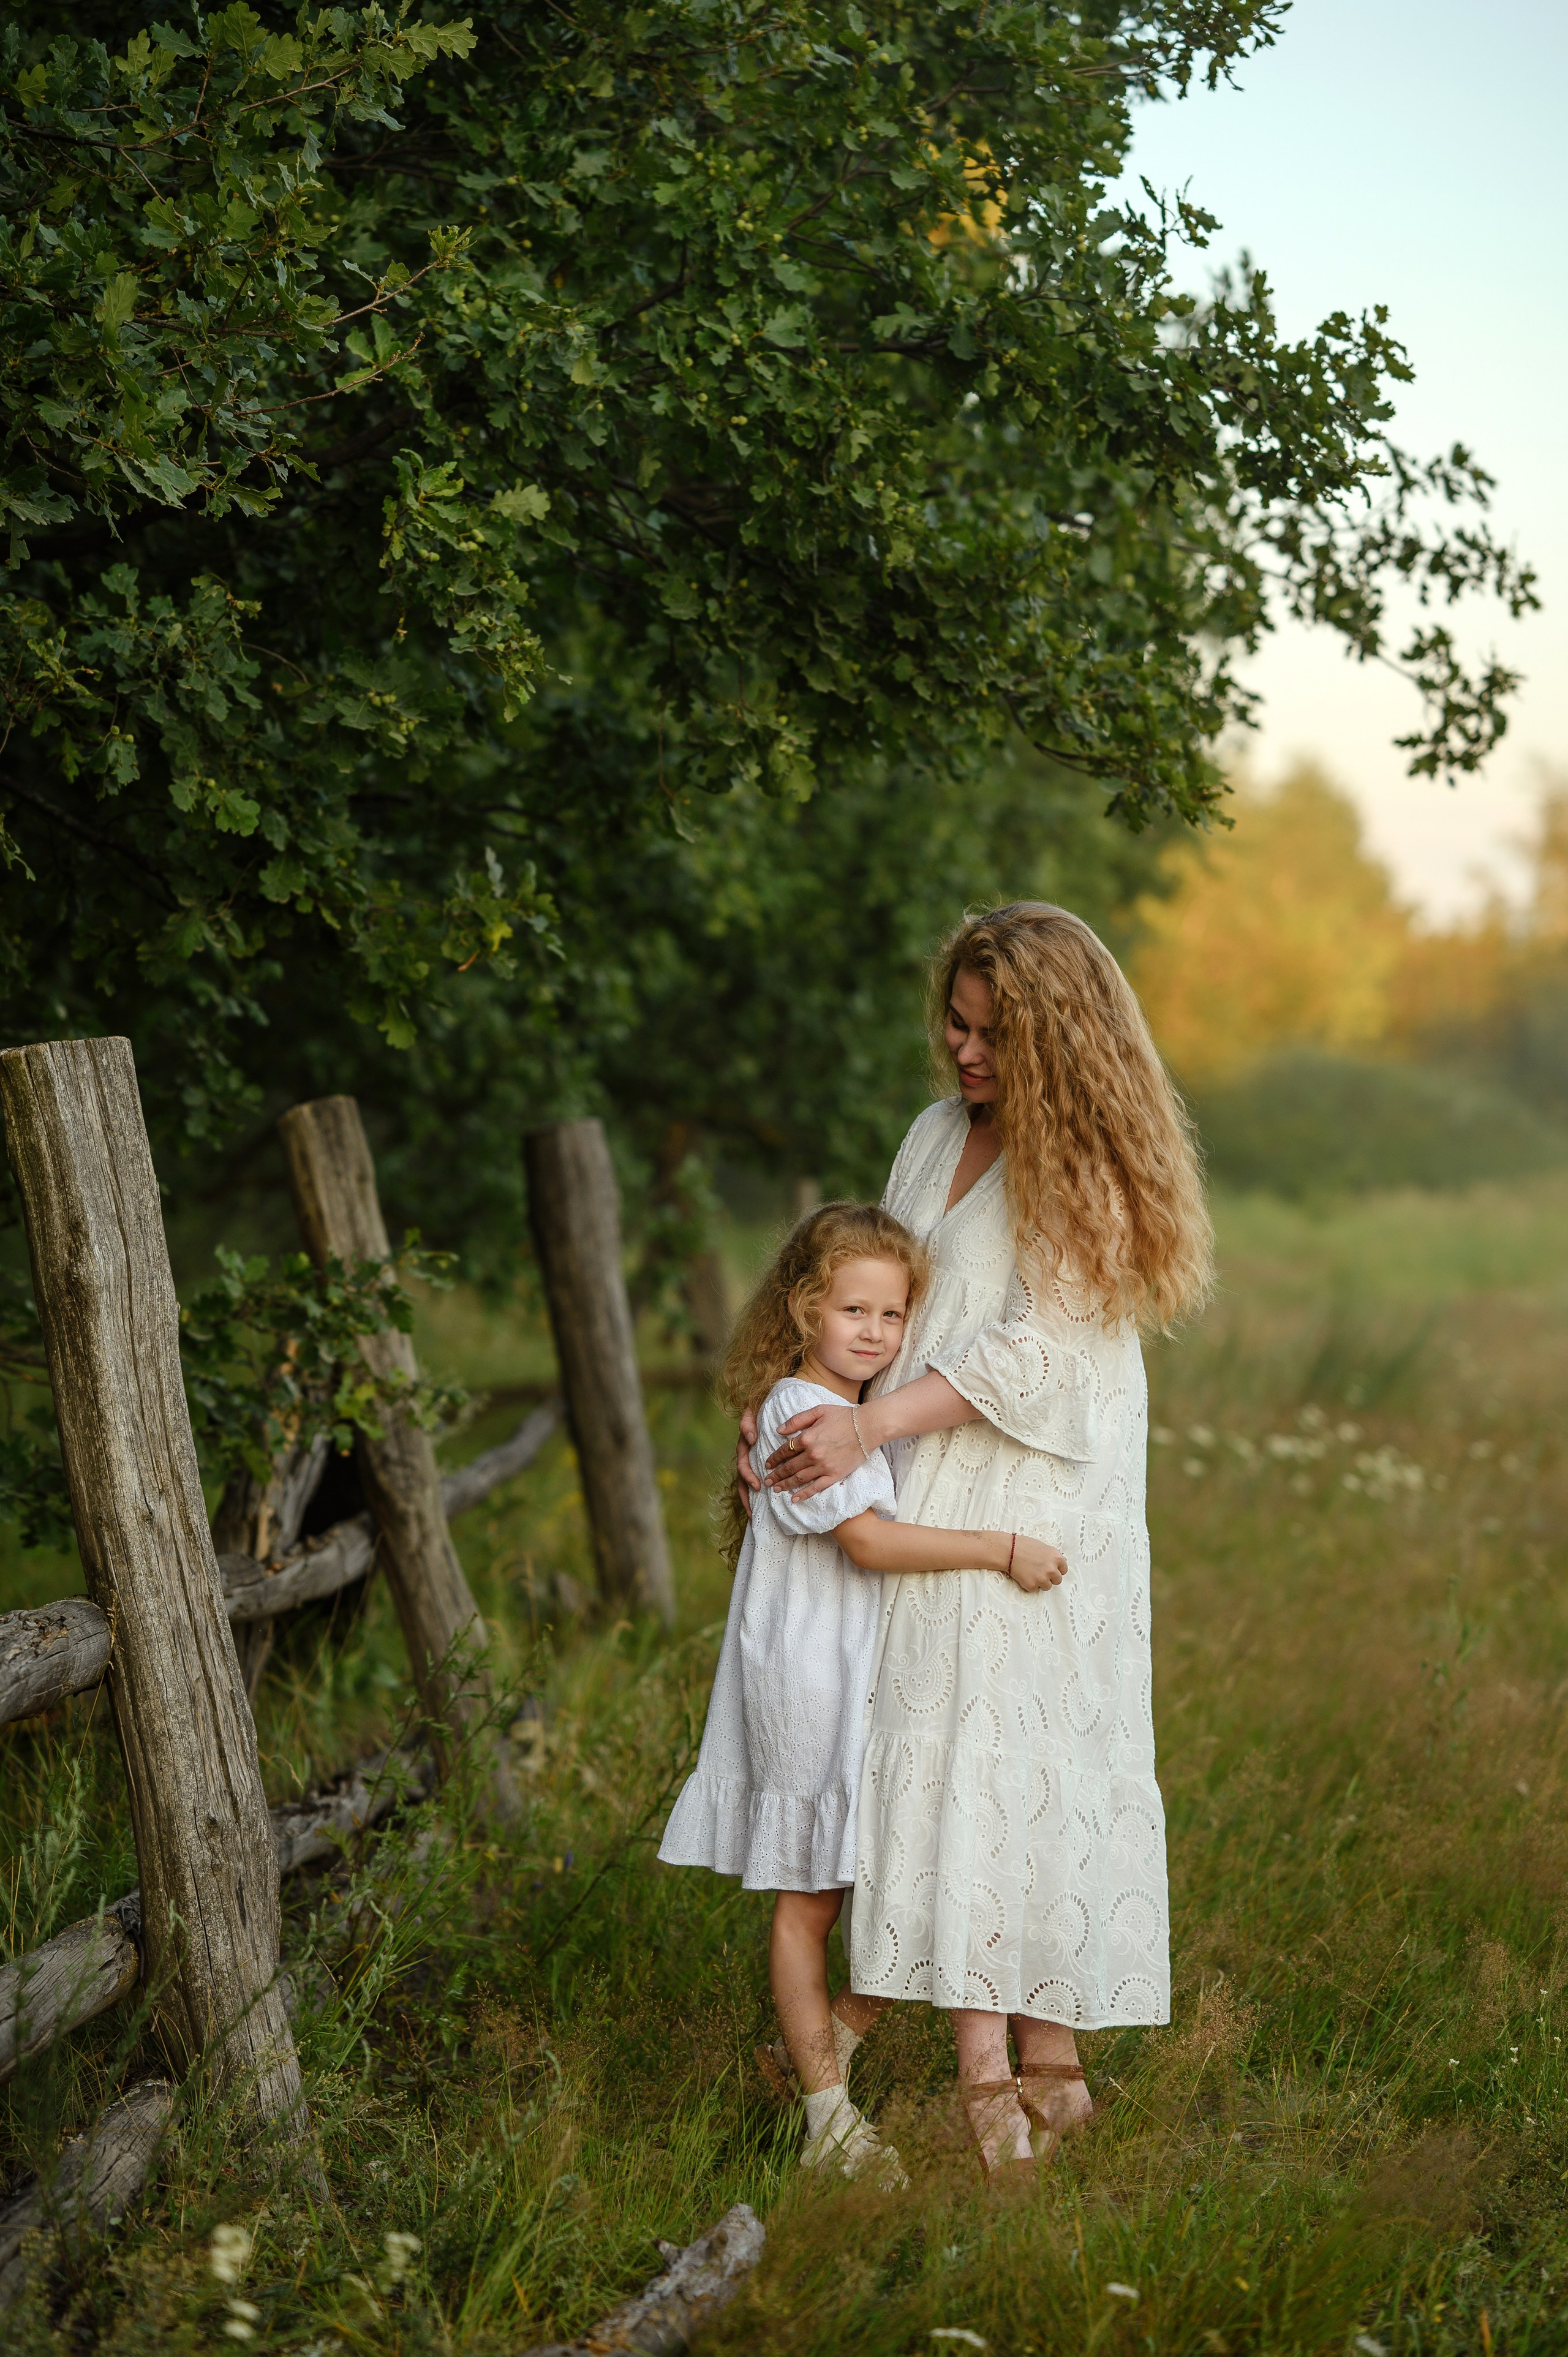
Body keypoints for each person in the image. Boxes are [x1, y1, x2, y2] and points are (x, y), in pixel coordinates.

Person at [739, 903, 1213, 2176]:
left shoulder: (1082, 1168)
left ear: (1058, 1039)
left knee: (1015, 1762)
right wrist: (802, 1416)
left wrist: (865, 1425)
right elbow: (876, 1297)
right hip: (921, 1480)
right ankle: (1008, 2067)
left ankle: (1006, 2077)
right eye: (955, 1023)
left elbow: (1036, 1356)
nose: (963, 1051)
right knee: (944, 1760)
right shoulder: (933, 1135)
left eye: (993, 1034)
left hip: (1035, 1499)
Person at [659, 1201, 1069, 2182]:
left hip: (850, 1672)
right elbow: (870, 1543)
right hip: (808, 1677)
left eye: (893, 1316)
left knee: (882, 1874)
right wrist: (1000, 1549)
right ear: (805, 1309)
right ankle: (827, 2120)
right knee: (810, 1903)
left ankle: (816, 2061)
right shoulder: (804, 1412)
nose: (876, 1333)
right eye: (854, 1312)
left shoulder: (845, 1408)